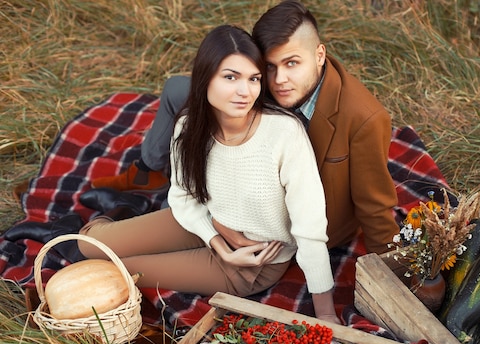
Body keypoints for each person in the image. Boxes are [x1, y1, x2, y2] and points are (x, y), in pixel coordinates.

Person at [77, 24, 341, 324]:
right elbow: (183, 196)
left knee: (110, 269)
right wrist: (216, 239)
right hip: (204, 222)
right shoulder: (189, 126)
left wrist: (326, 311)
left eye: (253, 79)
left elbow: (310, 226)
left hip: (247, 265)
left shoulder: (284, 134)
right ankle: (111, 218)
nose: (245, 91)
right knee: (88, 247)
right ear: (206, 78)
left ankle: (123, 218)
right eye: (231, 77)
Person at [92, 0, 399, 255]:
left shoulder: (363, 118)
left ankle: (131, 213)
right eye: (268, 66)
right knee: (176, 89)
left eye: (292, 63)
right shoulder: (266, 84)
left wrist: (390, 276)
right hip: (244, 161)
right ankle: (147, 172)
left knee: (169, 226)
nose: (278, 80)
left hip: (276, 214)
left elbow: (375, 209)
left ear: (319, 55)